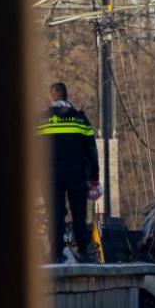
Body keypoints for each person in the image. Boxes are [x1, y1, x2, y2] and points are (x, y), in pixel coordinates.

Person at [39, 83, 101, 263]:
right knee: (79, 214)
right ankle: (83, 251)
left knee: (55, 213)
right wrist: (94, 178)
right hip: (77, 175)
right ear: (66, 96)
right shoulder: (80, 119)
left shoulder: (41, 120)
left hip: (50, 175)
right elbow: (92, 150)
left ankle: (56, 254)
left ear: (51, 97)